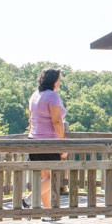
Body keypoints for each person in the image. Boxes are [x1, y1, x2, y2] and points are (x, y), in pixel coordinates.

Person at [28, 67, 66, 208]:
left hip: (33, 141)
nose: (59, 83)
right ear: (54, 81)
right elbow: (57, 121)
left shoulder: (35, 95)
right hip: (49, 142)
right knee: (53, 177)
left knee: (45, 177)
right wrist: (63, 143)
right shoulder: (53, 97)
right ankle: (29, 199)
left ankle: (47, 211)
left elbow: (31, 119)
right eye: (59, 80)